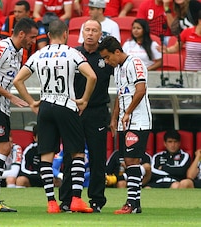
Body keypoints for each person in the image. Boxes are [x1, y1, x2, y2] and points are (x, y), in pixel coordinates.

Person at [13, 19, 97, 213]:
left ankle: (51, 202)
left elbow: (18, 80)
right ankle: (76, 198)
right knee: (76, 152)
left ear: (49, 35)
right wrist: (84, 99)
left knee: (46, 155)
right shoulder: (73, 53)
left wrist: (32, 101)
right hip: (66, 104)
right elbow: (92, 76)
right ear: (66, 34)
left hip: (46, 106)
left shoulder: (39, 54)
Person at [0, 17, 38, 212]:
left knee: (0, 149)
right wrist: (11, 96)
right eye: (32, 37)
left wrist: (28, 101)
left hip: (1, 105)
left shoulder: (18, 52)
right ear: (21, 34)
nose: (33, 41)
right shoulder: (1, 48)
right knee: (4, 147)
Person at [59, 19, 113, 213]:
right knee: (70, 156)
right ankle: (66, 200)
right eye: (87, 30)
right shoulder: (72, 53)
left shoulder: (106, 56)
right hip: (73, 111)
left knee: (98, 158)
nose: (90, 33)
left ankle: (97, 200)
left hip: (97, 111)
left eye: (94, 30)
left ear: (101, 34)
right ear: (82, 33)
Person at [98, 36, 152, 214]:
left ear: (117, 52)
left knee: (131, 160)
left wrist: (128, 112)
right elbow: (120, 95)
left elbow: (141, 90)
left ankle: (131, 203)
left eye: (107, 57)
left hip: (138, 120)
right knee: (129, 161)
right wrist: (114, 118)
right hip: (125, 121)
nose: (106, 62)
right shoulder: (118, 69)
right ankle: (135, 204)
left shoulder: (135, 63)